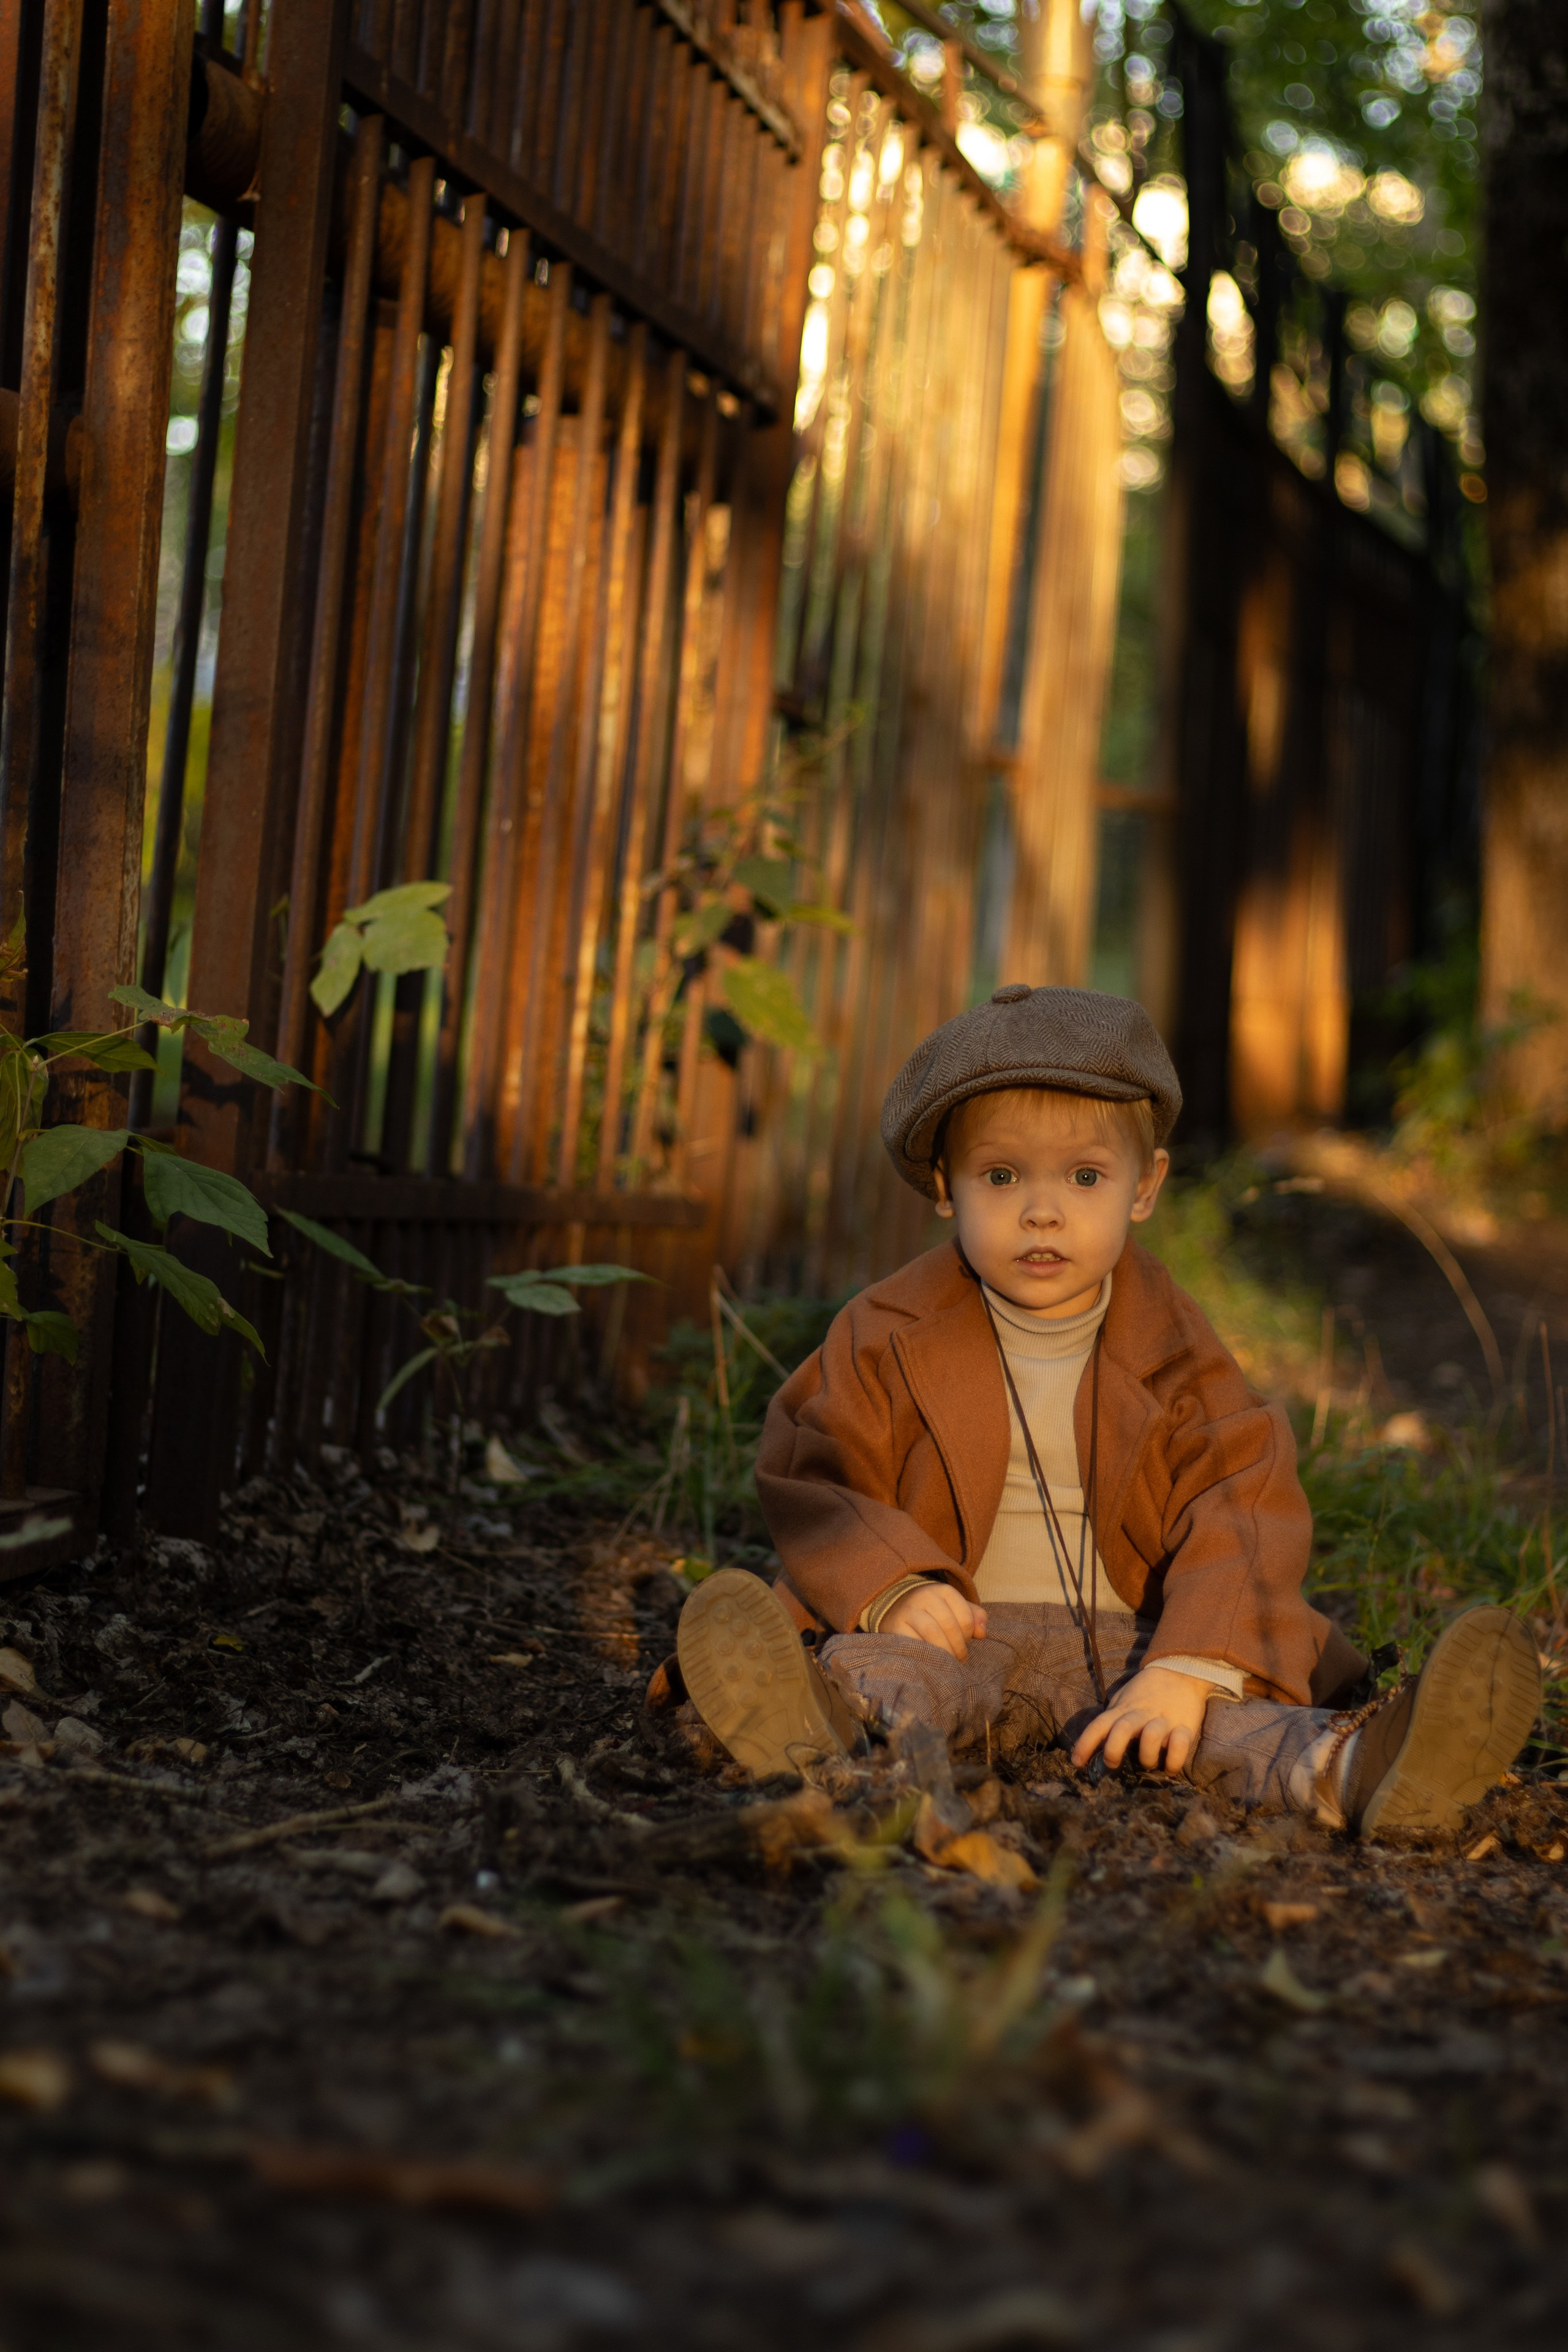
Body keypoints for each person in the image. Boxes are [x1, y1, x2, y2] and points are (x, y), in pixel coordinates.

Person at [669, 984, 1540, 1835]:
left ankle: (1362, 1769)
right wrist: (895, 1587)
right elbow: (819, 1464)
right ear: (945, 1187)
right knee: (890, 1672)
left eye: (1085, 1176)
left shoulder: (1178, 1350)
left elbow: (1239, 1497)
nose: (1042, 1211)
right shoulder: (886, 1331)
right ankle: (816, 1729)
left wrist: (1186, 1666)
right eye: (1001, 1175)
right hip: (959, 1632)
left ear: (1145, 1187)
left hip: (1135, 1642)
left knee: (1225, 1726)